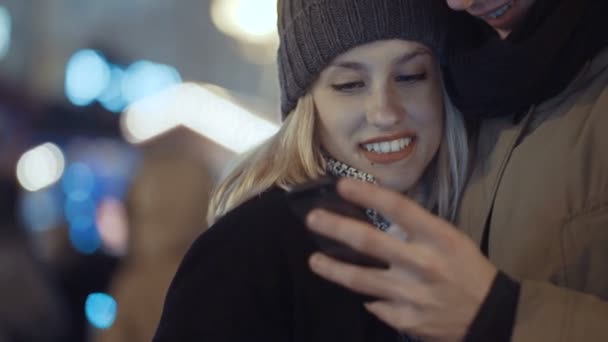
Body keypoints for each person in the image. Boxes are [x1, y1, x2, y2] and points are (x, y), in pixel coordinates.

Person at [153, 0, 472, 341]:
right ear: (307, 104)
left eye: (411, 76)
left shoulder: (463, 226)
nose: (386, 112)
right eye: (350, 84)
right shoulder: (249, 249)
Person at [304, 0, 608, 341]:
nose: (460, 2)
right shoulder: (470, 90)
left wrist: (506, 317)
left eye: (411, 76)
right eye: (348, 84)